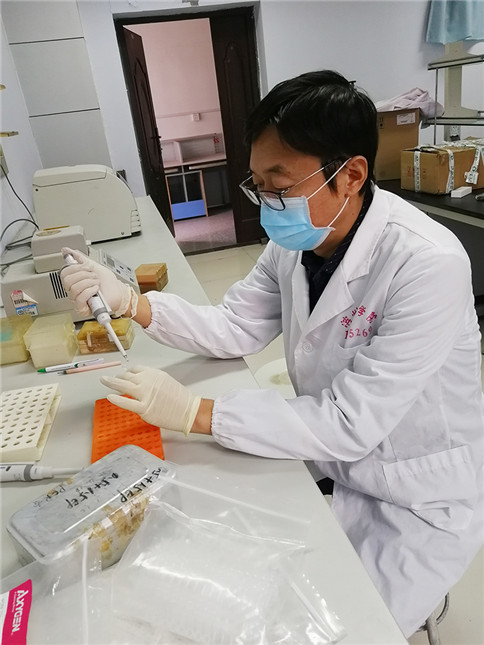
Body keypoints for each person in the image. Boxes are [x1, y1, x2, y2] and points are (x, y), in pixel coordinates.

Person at [61, 70, 484, 638]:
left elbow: (350, 421)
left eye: (279, 186)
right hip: (333, 458)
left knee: (338, 629)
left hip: (414, 491)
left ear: (351, 175)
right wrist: (133, 303)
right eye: (257, 184)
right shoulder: (298, 241)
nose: (266, 203)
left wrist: (195, 412)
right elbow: (236, 325)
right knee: (227, 567)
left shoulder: (427, 263)